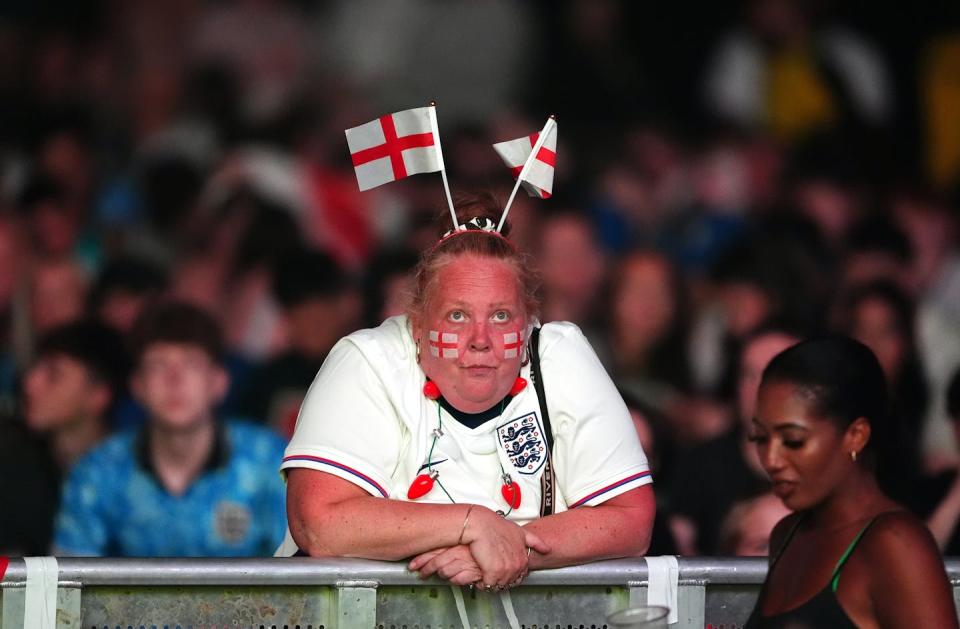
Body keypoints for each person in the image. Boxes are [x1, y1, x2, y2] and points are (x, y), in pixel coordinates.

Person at [279, 193, 655, 592]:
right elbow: (318, 523)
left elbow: (632, 518)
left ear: (528, 322)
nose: (480, 340)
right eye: (457, 316)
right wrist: (471, 523)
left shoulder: (562, 355)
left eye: (500, 316)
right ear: (418, 324)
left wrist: (509, 549)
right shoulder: (367, 360)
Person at [745, 336, 957, 628]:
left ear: (856, 435)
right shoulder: (787, 535)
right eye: (760, 438)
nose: (770, 459)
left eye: (793, 441)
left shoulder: (895, 544)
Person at [54, 301, 287, 556]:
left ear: (219, 383)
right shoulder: (97, 471)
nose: (174, 380)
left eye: (191, 364)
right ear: (137, 386)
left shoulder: (271, 462)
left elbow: (302, 577)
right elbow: (68, 582)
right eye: (158, 365)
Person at [0, 320, 128, 555]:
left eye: (53, 374)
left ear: (98, 396)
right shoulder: (11, 459)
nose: (30, 383)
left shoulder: (130, 472)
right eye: (35, 368)